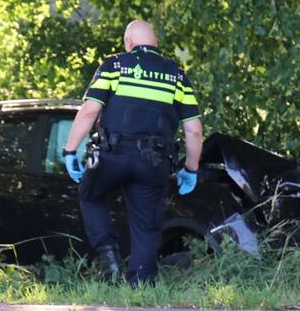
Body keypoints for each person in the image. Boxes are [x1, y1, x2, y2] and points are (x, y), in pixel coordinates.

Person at [61, 20, 203, 285]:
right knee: (146, 225)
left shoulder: (115, 65)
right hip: (154, 162)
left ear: (128, 43)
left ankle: (110, 261)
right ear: (156, 44)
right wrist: (191, 168)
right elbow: (193, 130)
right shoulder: (176, 75)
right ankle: (141, 288)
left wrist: (70, 150)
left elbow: (90, 110)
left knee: (91, 196)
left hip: (112, 155)